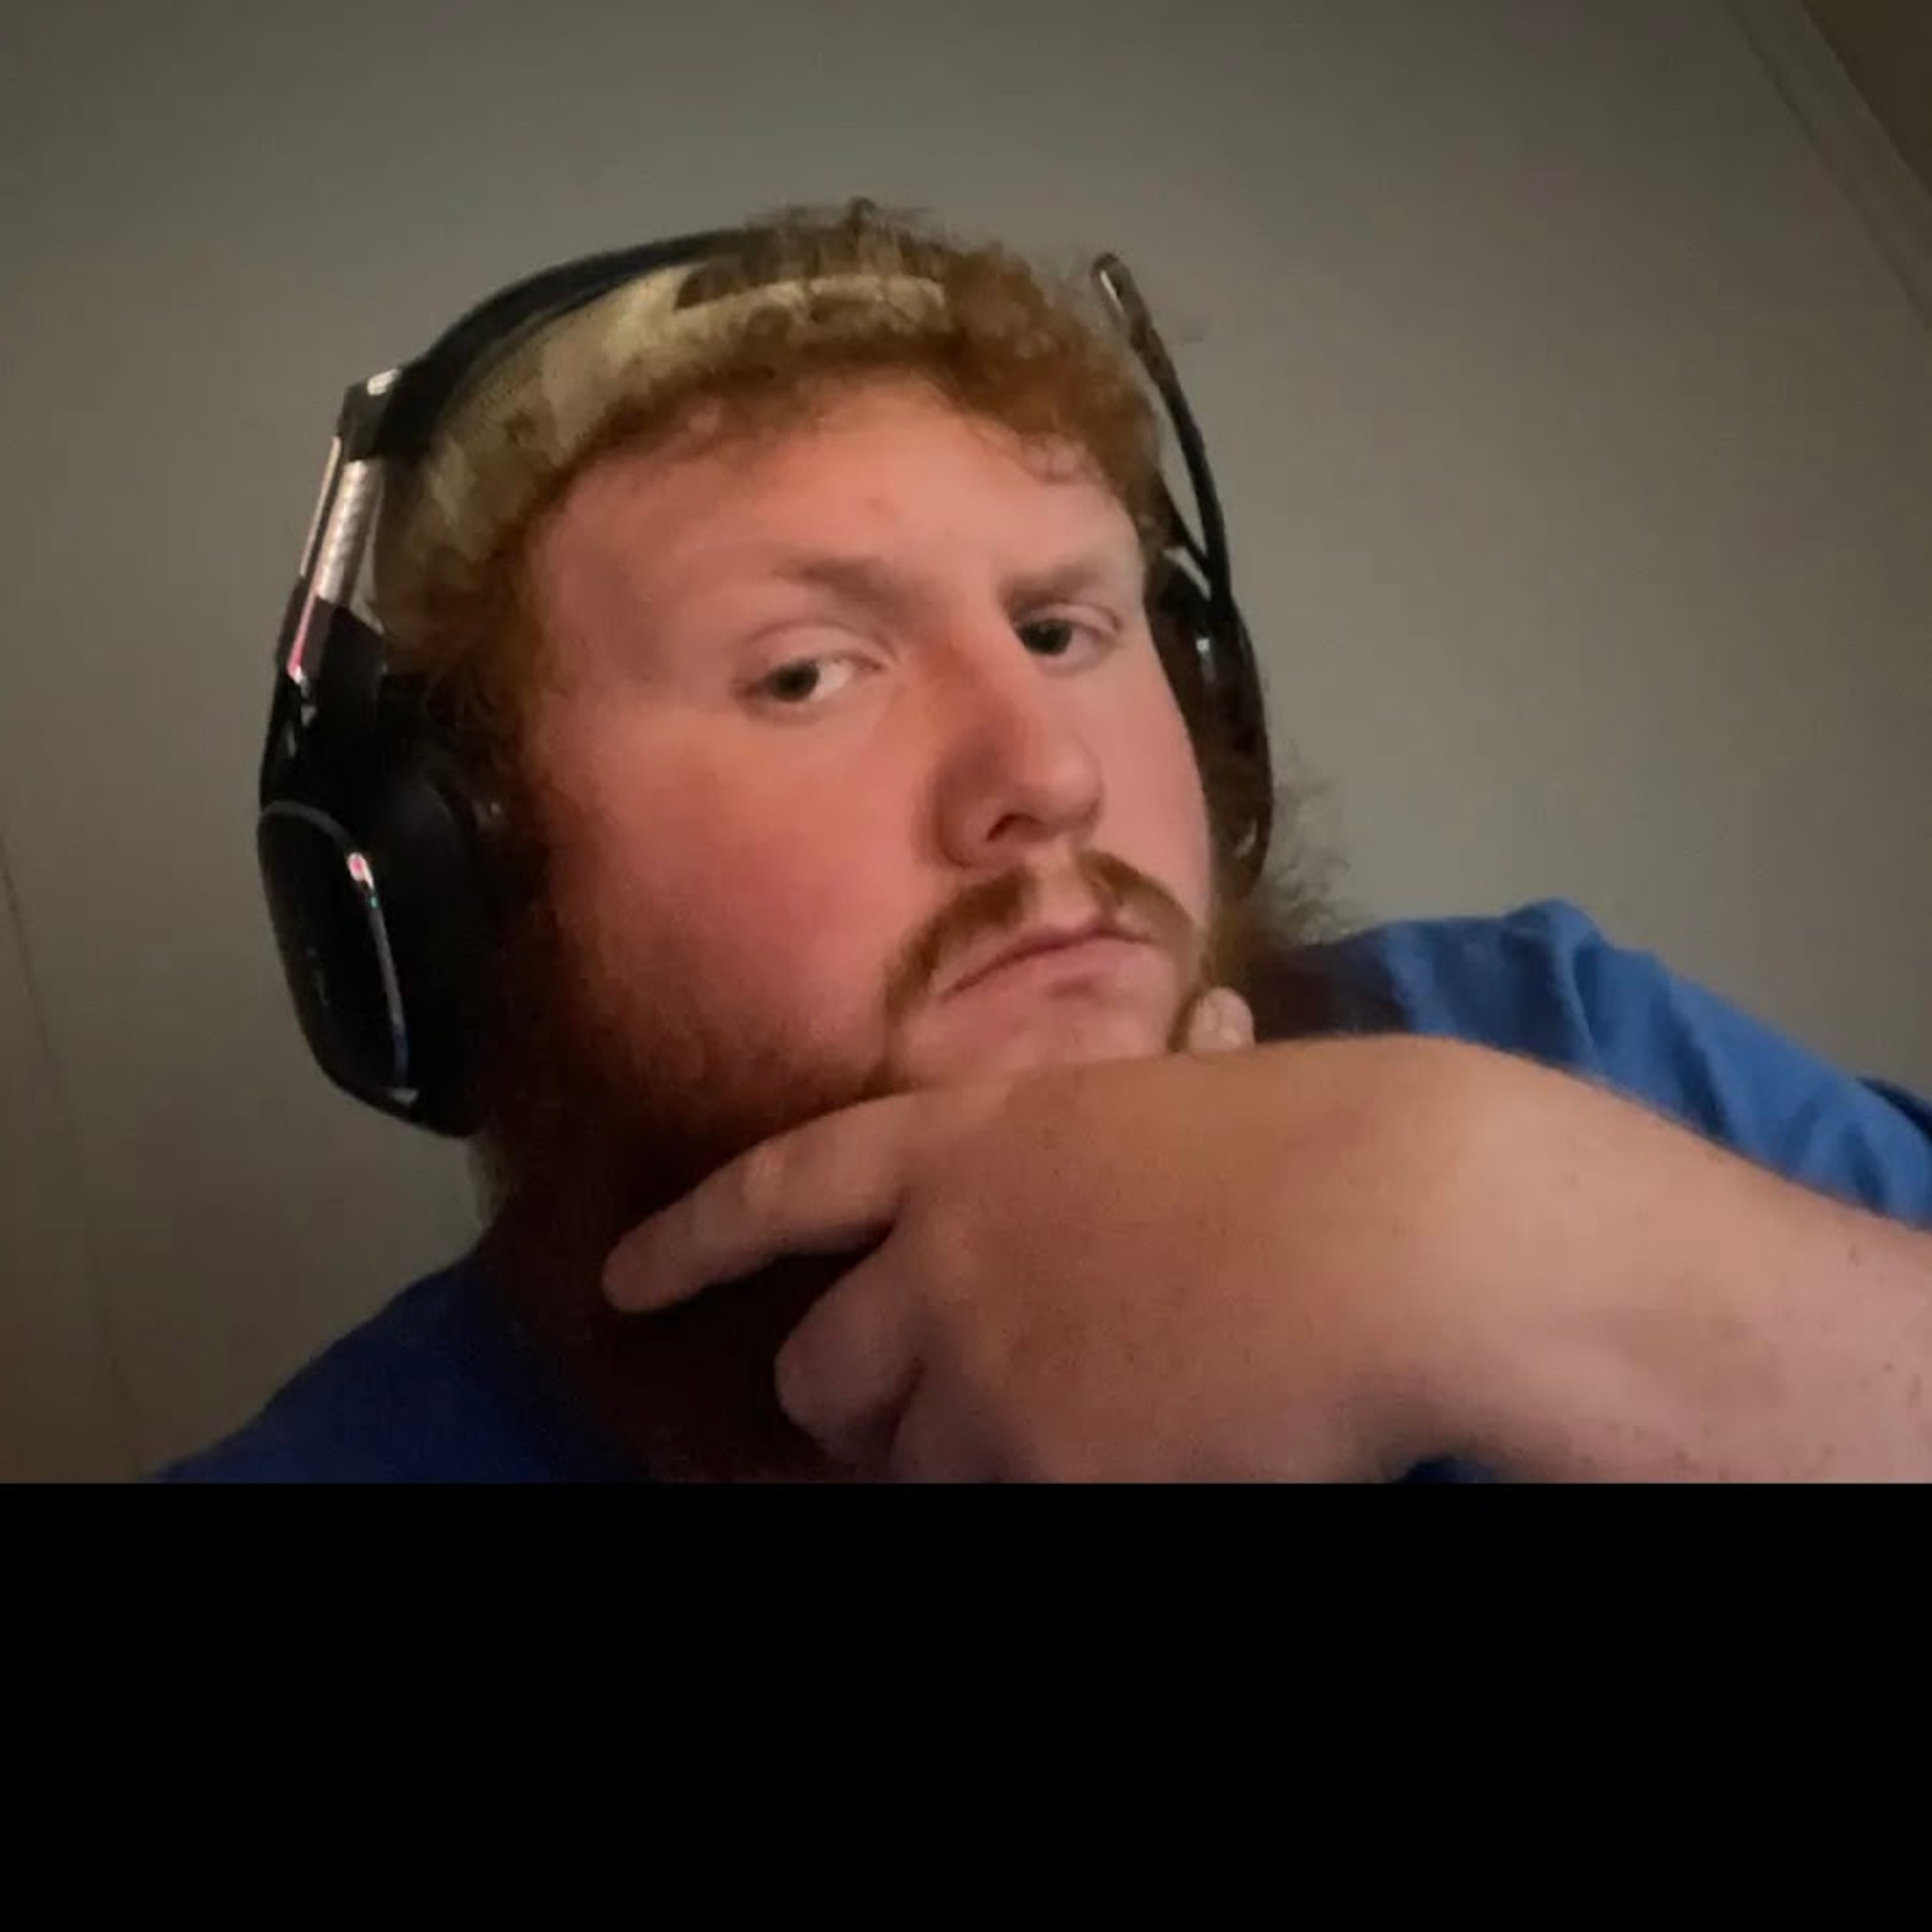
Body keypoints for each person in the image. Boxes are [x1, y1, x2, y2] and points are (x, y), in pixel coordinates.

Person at [162, 201, 1932, 1483]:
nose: (1046, 777)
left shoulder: (1557, 1051)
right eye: (805, 673)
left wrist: (1506, 1251)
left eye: (1066, 630)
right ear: (472, 890)